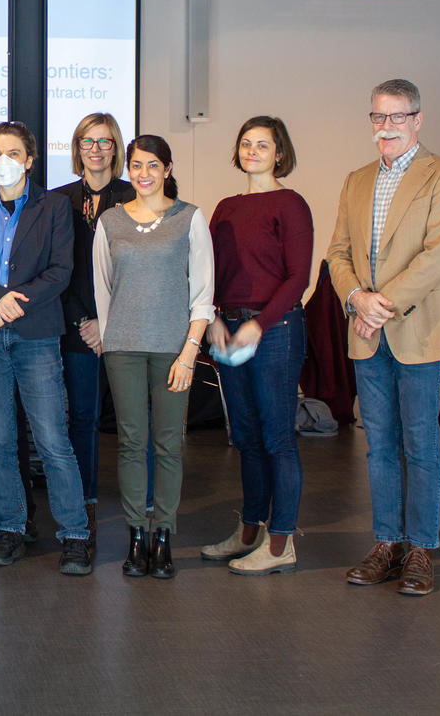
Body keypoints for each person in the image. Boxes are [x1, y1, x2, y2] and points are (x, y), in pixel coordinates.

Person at [327, 78, 440, 597]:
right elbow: (337, 253)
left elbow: (438, 257)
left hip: (417, 331)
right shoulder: (356, 179)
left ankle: (421, 550)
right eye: (377, 117)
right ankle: (386, 543)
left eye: (396, 117)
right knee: (379, 447)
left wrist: (378, 306)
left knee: (422, 445)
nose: (385, 127)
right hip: (368, 332)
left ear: (417, 119)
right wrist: (355, 300)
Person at [0, 121, 93, 576]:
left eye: (13, 152)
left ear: (30, 160)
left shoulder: (53, 208)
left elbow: (59, 272)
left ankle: (74, 535)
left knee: (52, 439)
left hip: (36, 336)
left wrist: (9, 307)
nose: (3, 161)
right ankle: (11, 528)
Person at [93, 134, 214, 580]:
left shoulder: (189, 218)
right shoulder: (110, 221)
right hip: (123, 348)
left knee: (167, 444)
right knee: (130, 443)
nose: (143, 174)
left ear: (167, 169)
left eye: (152, 165)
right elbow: (102, 288)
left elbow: (203, 292)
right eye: (136, 165)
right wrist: (109, 339)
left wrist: (189, 352)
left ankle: (163, 534)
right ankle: (135, 535)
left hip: (172, 349)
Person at [199, 117, 314, 576]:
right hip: (229, 327)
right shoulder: (226, 206)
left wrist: (260, 325)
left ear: (279, 152)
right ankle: (249, 532)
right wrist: (211, 318)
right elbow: (209, 270)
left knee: (277, 438)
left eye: (262, 144)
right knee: (245, 437)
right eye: (245, 143)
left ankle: (281, 541)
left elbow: (298, 278)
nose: (252, 150)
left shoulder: (290, 204)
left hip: (277, 330)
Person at [52, 112, 134, 555]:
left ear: (116, 147)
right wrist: (86, 320)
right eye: (88, 140)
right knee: (81, 417)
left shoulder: (135, 196)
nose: (97, 149)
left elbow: (141, 270)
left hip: (125, 326)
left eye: (105, 141)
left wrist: (109, 320)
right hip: (76, 327)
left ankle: (144, 507)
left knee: (131, 419)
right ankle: (83, 499)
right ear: (77, 147)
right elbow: (56, 270)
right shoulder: (56, 200)